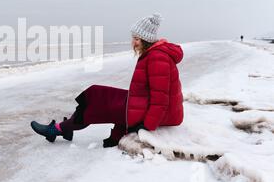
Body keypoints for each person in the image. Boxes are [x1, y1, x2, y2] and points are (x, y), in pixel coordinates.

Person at [30, 13, 184, 148]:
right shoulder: (154, 54)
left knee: (97, 105)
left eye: (137, 39)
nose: (134, 42)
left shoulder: (157, 58)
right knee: (96, 92)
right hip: (147, 104)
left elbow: (160, 99)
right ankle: (65, 127)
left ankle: (57, 130)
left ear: (146, 40)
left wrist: (146, 126)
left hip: (161, 114)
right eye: (133, 38)